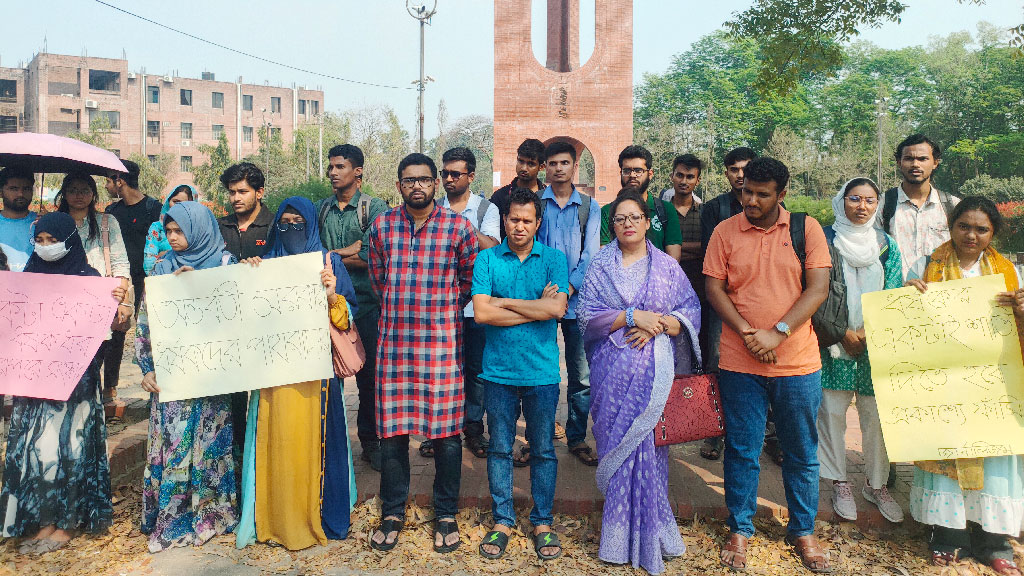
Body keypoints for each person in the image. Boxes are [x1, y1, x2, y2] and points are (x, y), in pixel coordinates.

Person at [703, 157, 833, 573]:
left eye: (762, 194)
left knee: (800, 451)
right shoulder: (725, 231)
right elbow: (713, 287)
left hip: (797, 364)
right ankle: (739, 527)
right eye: (746, 192)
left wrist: (777, 332)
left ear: (781, 193)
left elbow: (817, 288)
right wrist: (746, 332)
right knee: (742, 450)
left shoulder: (805, 228)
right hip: (740, 363)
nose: (751, 200)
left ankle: (803, 529)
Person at [579, 191, 700, 574]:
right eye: (619, 219)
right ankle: (616, 538)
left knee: (650, 450)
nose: (627, 223)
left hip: (654, 376)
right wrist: (632, 316)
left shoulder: (666, 266)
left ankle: (650, 535)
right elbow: (587, 317)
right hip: (610, 374)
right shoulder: (600, 263)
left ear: (648, 222)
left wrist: (660, 323)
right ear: (611, 225)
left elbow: (690, 311)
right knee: (616, 445)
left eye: (635, 217)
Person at [905, 196, 1024, 576]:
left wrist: (1021, 310)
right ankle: (947, 534)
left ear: (993, 233)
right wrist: (910, 297)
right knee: (947, 453)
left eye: (981, 229)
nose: (971, 235)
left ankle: (994, 541)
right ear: (951, 226)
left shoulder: (1010, 272)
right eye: (964, 226)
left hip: (992, 383)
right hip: (945, 381)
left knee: (994, 459)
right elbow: (905, 321)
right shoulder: (925, 266)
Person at [366, 153, 478, 553]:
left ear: (435, 184)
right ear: (398, 185)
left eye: (425, 180)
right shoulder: (381, 227)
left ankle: (445, 512)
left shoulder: (458, 228)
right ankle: (393, 511)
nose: (418, 186)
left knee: (447, 434)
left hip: (442, 346)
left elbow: (467, 279)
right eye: (409, 180)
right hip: (394, 346)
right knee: (393, 434)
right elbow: (379, 279)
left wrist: (438, 310)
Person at [234, 197, 358, 550]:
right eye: (284, 222)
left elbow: (347, 320)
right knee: (277, 441)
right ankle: (274, 517)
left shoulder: (328, 262)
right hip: (273, 375)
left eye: (298, 222)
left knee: (313, 440)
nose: (290, 228)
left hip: (316, 375)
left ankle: (316, 514)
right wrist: (249, 274)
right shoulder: (264, 263)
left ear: (311, 226)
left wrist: (333, 294)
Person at [1, 212, 122, 554]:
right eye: (39, 241)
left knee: (69, 449)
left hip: (74, 385)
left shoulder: (89, 279)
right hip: (33, 384)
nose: (46, 247)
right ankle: (39, 521)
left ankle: (66, 522)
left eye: (53, 240)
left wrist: (114, 306)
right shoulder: (27, 278)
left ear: (70, 240)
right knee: (38, 450)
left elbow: (103, 335)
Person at [135, 201, 238, 553]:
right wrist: (146, 369)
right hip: (173, 381)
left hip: (212, 381)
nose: (174, 238)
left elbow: (244, 313)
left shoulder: (226, 265)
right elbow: (146, 324)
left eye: (180, 231)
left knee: (210, 446)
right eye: (169, 232)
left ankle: (213, 516)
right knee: (175, 447)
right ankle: (175, 519)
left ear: (200, 229)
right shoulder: (163, 268)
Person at [472, 188, 569, 561]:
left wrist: (505, 302)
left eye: (528, 220)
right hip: (498, 372)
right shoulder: (488, 259)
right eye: (514, 219)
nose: (520, 226)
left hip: (542, 373)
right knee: (499, 448)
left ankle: (542, 521)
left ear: (538, 223)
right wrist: (536, 307)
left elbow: (557, 309)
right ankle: (503, 520)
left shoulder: (554, 260)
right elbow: (482, 314)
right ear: (505, 219)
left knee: (543, 450)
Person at [816, 178, 905, 524]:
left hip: (874, 345)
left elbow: (893, 293)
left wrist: (866, 333)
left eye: (870, 200)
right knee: (832, 415)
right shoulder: (825, 241)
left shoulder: (886, 245)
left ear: (877, 205)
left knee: (876, 417)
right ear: (842, 201)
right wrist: (842, 334)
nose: (862, 207)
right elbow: (815, 290)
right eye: (855, 199)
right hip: (832, 343)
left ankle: (876, 484)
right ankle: (840, 481)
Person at [317, 144, 390, 472]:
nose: (333, 172)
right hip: (329, 308)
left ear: (358, 171)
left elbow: (374, 255)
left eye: (340, 166)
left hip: (367, 306)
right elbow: (314, 257)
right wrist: (344, 252)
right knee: (328, 378)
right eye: (331, 167)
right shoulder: (321, 210)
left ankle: (371, 443)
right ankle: (326, 442)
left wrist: (332, 257)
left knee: (370, 378)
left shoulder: (374, 208)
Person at [533, 140, 601, 466]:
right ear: (545, 167)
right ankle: (539, 436)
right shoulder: (535, 204)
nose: (558, 168)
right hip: (541, 301)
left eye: (564, 163)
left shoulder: (589, 207)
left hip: (578, 302)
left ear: (575, 166)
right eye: (552, 163)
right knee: (540, 372)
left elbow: (591, 256)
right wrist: (548, 293)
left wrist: (569, 289)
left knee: (581, 374)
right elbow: (528, 250)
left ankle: (576, 437)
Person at [429, 146, 500, 460]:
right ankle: (438, 431)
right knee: (440, 370)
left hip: (475, 307)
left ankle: (473, 430)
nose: (448, 179)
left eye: (455, 174)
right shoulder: (431, 208)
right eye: (444, 173)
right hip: (438, 307)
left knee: (475, 372)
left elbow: (494, 249)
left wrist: (461, 225)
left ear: (471, 176)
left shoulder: (486, 210)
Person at [56, 174, 134, 401]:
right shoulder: (56, 222)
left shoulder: (107, 222)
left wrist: (123, 298)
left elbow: (120, 262)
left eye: (84, 190)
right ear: (64, 194)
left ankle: (89, 417)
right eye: (72, 190)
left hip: (98, 304)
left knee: (91, 366)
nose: (78, 196)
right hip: (61, 306)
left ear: (93, 194)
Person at [217, 162, 271, 485]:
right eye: (232, 192)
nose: (236, 198)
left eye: (242, 191)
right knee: (234, 397)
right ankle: (236, 466)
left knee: (267, 395)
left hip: (267, 327)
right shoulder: (219, 227)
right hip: (228, 329)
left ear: (259, 192)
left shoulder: (276, 224)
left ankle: (264, 463)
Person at [105, 160, 162, 396]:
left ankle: (156, 385)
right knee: (116, 331)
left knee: (155, 333)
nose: (106, 185)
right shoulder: (111, 213)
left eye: (108, 180)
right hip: (122, 281)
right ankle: (110, 387)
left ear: (120, 181)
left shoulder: (154, 208)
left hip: (149, 279)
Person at [880, 134, 959, 281]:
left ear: (935, 163)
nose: (915, 164)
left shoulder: (952, 205)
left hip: (942, 296)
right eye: (909, 158)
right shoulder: (883, 205)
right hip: (896, 295)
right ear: (899, 162)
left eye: (923, 159)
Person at [600, 145, 682, 262]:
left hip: (659, 277)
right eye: (627, 171)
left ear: (650, 174)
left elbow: (673, 259)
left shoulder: (665, 210)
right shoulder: (607, 211)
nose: (632, 175)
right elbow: (604, 256)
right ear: (621, 173)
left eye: (638, 171)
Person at [491, 138, 546, 239]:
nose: (524, 168)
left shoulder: (548, 198)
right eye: (521, 161)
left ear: (541, 167)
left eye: (531, 164)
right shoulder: (500, 197)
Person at [143, 185, 195, 275]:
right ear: (168, 202)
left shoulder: (197, 227)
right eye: (175, 201)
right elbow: (149, 261)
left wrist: (166, 254)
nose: (179, 206)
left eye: (184, 203)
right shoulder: (157, 228)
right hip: (164, 279)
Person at [0, 167, 37, 272]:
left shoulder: (42, 223)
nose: (20, 194)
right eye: (13, 188)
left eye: (26, 189)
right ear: (1, 192)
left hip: (35, 286)